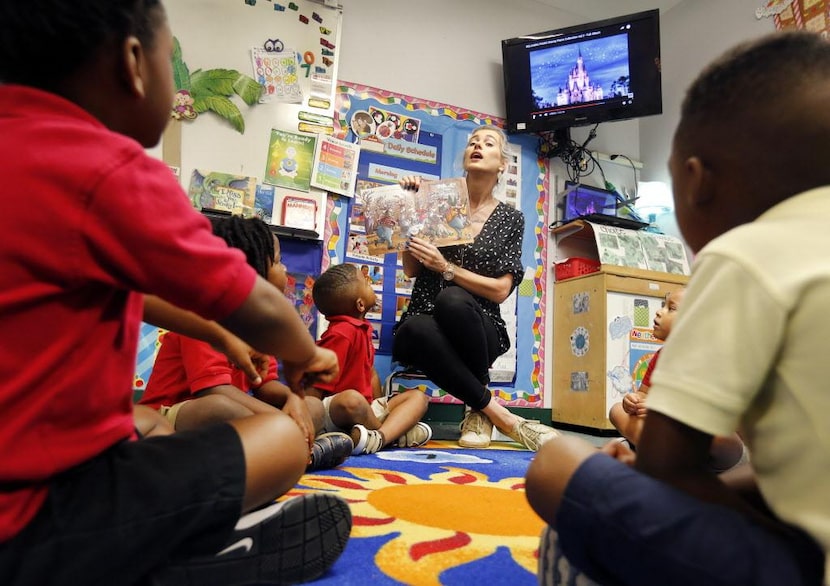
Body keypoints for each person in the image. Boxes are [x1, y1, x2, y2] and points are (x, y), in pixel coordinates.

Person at [0, 2, 351, 585]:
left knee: (149, 426)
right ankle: (175, 561)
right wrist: (305, 354)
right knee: (282, 443)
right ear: (133, 62)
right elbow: (258, 306)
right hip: (37, 523)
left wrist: (216, 334)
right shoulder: (105, 168)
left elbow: (141, 297)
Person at [526, 31, 830, 586]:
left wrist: (648, 476)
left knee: (559, 464)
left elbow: (670, 466)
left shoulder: (745, 254)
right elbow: (796, 482)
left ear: (696, 181)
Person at [139, 215, 354, 471]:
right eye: (277, 261)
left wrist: (292, 400)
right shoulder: (203, 315)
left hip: (230, 416)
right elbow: (214, 391)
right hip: (172, 414)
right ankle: (292, 449)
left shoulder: (257, 325)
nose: (284, 269)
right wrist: (280, 420)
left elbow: (265, 385)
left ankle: (286, 448)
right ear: (249, 271)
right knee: (218, 409)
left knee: (312, 406)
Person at [393, 125, 559, 451]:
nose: (477, 146)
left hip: (478, 325)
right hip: (426, 321)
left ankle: (480, 410)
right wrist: (408, 211)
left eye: (488, 143)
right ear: (466, 158)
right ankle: (496, 415)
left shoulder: (512, 218)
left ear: (502, 166)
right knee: (414, 327)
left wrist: (447, 268)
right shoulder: (436, 203)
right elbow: (412, 269)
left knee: (452, 299)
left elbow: (500, 290)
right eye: (472, 143)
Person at [608, 288, 746, 472]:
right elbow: (643, 394)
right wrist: (633, 402)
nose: (659, 311)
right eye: (663, 306)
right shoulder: (661, 357)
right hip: (668, 440)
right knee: (616, 410)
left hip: (714, 449)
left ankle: (648, 453)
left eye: (671, 308)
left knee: (719, 435)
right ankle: (654, 455)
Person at [309, 263, 432, 454]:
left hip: (366, 410)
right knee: (352, 400)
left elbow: (370, 373)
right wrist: (310, 423)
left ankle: (378, 436)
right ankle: (392, 435)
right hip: (338, 411)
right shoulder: (341, 334)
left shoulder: (362, 329)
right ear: (360, 304)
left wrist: (380, 407)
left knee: (419, 397)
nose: (370, 283)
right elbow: (315, 385)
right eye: (366, 283)